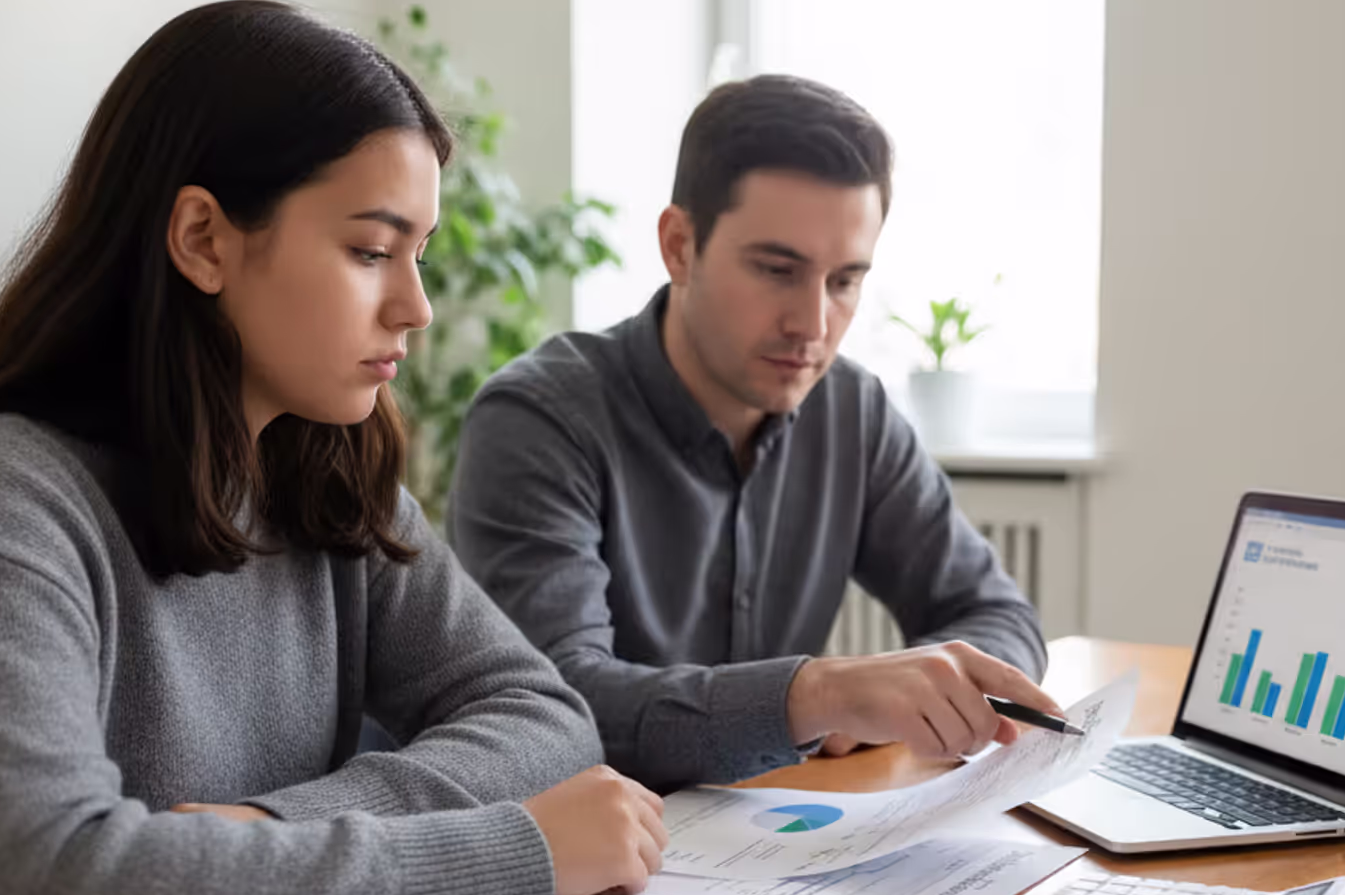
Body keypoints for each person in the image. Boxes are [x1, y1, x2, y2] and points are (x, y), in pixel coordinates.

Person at [0, 0, 667, 895]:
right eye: (369, 250)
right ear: (203, 238)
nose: (415, 306)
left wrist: (277, 827)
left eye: (420, 255)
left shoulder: (328, 481)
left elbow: (541, 714)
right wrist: (512, 852)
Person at [451, 74, 1058, 792]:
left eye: (844, 281)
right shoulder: (539, 421)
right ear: (679, 246)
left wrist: (927, 689)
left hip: (763, 849)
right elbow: (557, 709)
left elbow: (992, 610)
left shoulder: (852, 410)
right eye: (777, 270)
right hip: (584, 861)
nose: (812, 324)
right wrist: (815, 696)